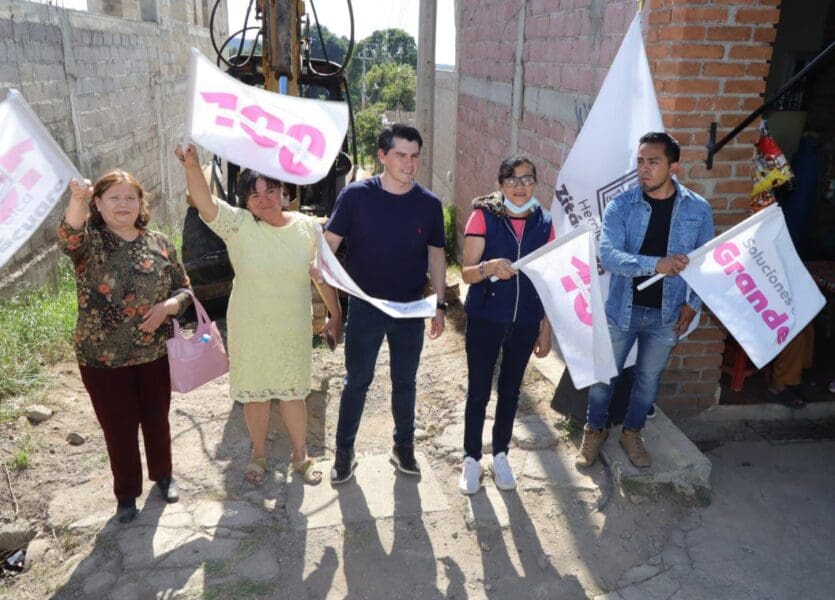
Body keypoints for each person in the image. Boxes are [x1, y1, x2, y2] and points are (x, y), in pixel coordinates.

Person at [176, 143, 341, 486]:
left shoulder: (308, 228)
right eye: (254, 195)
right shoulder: (238, 226)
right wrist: (192, 166)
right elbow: (204, 201)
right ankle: (259, 455)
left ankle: (300, 457)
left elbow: (323, 276)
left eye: (270, 190)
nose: (264, 200)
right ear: (245, 203)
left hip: (291, 327)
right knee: (256, 394)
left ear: (284, 192)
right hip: (250, 327)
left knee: (294, 393)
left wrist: (335, 314)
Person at [58, 171, 192, 523]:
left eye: (130, 197)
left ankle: (164, 476)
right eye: (113, 198)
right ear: (98, 204)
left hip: (153, 353)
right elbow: (69, 236)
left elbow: (185, 289)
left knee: (157, 419)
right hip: (102, 357)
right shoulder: (90, 244)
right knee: (118, 429)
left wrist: (168, 307)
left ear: (141, 204)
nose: (123, 204)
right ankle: (127, 494)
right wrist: (77, 198)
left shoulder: (160, 243)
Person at [576, 132, 714, 469]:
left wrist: (693, 303)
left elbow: (704, 261)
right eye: (640, 161)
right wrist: (657, 264)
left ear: (674, 166)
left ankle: (632, 432)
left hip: (666, 314)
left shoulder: (698, 209)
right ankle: (594, 430)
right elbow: (609, 257)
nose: (644, 168)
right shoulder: (621, 205)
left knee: (648, 381)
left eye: (653, 161)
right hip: (621, 310)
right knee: (603, 378)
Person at [324, 124, 446, 484]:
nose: (409, 164)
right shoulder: (355, 197)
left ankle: (403, 446)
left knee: (405, 381)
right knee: (357, 381)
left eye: (415, 156)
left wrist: (439, 304)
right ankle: (344, 451)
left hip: (410, 309)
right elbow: (328, 246)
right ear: (382, 156)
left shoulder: (429, 204)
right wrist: (322, 272)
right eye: (400, 155)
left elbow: (436, 256)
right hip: (366, 306)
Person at [458, 156, 553, 495]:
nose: (519, 186)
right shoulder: (483, 216)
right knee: (479, 392)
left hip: (525, 322)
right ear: (500, 184)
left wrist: (545, 329)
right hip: (485, 319)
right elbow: (467, 273)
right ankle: (471, 458)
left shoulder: (545, 222)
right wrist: (490, 267)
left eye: (527, 179)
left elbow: (549, 280)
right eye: (511, 179)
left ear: (535, 182)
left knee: (511, 391)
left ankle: (500, 454)